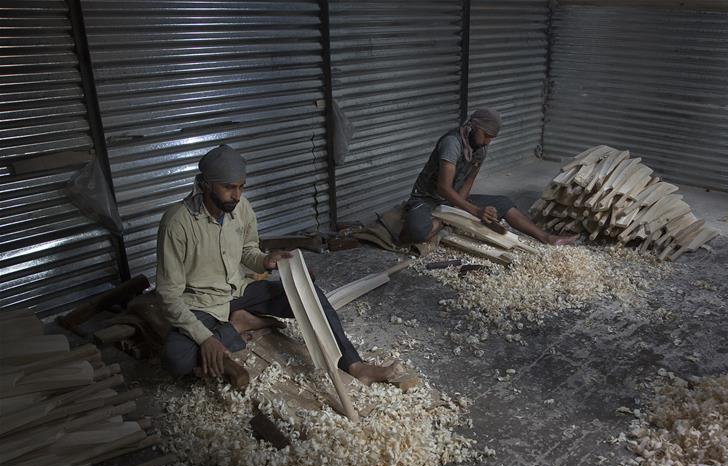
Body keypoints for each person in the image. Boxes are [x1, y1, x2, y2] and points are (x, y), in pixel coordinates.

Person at [156, 144, 400, 384]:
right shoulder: (177, 223)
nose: (237, 195)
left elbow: (247, 250)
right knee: (176, 358)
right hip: (203, 305)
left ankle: (356, 365)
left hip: (239, 291)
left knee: (309, 295)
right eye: (229, 187)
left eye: (241, 187)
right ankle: (238, 324)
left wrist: (265, 260)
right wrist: (205, 338)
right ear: (207, 184)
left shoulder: (241, 208)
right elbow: (168, 295)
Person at [401, 108, 578, 246]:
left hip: (451, 200)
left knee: (504, 203)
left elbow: (468, 181)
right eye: (485, 135)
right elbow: (443, 188)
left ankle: (547, 237)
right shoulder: (452, 143)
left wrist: (458, 208)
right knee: (417, 232)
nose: (487, 142)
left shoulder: (480, 148)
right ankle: (442, 221)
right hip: (427, 199)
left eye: (491, 138)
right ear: (474, 126)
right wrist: (474, 211)